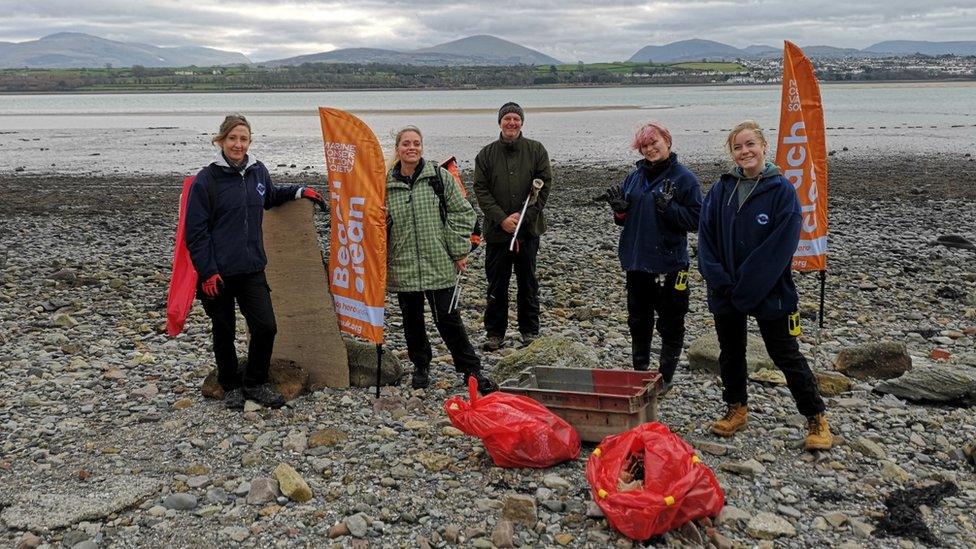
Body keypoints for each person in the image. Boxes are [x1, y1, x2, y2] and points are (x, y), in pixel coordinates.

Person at [697, 120, 833, 451]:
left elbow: (778, 248)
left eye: (749, 145)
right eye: (738, 147)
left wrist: (746, 286)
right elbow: (706, 237)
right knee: (730, 352)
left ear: (763, 146)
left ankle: (816, 417)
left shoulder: (781, 191)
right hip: (725, 289)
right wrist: (718, 278)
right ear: (731, 152)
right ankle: (736, 408)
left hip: (769, 290)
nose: (745, 152)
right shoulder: (721, 188)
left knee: (785, 354)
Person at [184, 114, 327, 410]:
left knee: (266, 327)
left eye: (243, 139)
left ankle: (255, 382)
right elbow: (195, 233)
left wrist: (301, 191)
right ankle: (230, 384)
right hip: (218, 274)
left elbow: (270, 197)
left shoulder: (257, 171)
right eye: (232, 138)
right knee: (223, 331)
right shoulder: (206, 180)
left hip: (251, 268)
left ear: (249, 141)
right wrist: (207, 271)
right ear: (221, 140)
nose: (238, 144)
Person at [386, 126, 499, 394]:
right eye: (406, 144)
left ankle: (471, 370)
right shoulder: (385, 184)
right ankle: (421, 367)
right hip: (404, 264)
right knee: (411, 321)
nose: (411, 148)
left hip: (437, 262)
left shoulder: (438, 177)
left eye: (416, 143)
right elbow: (378, 224)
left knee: (448, 319)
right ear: (398, 148)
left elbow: (463, 213)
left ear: (422, 146)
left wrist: (456, 250)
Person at [603, 122, 702, 395]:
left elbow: (696, 220)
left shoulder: (684, 179)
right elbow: (624, 219)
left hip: (669, 264)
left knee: (670, 321)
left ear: (667, 141)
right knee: (638, 320)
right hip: (636, 261)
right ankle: (640, 370)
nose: (649, 148)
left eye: (654, 142)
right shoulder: (634, 177)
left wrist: (669, 209)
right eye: (644, 145)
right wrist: (620, 212)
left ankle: (665, 376)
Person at [473, 102, 552, 351]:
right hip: (498, 234)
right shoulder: (486, 155)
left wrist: (523, 217)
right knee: (497, 283)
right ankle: (495, 333)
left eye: (516, 119)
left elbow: (544, 186)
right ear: (500, 122)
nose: (511, 123)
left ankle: (529, 330)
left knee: (528, 282)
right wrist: (502, 219)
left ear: (521, 122)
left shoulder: (536, 150)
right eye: (507, 118)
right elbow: (481, 190)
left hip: (528, 232)